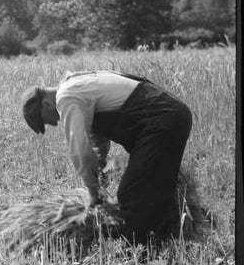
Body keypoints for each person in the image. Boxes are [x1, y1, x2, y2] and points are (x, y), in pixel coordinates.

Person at [20, 70, 193, 241]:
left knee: (132, 193)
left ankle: (138, 252)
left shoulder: (67, 97)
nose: (54, 123)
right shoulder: (77, 85)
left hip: (163, 119)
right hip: (168, 115)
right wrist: (100, 181)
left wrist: (93, 193)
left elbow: (80, 151)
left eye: (46, 120)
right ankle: (164, 240)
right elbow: (98, 144)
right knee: (154, 186)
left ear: (46, 104)